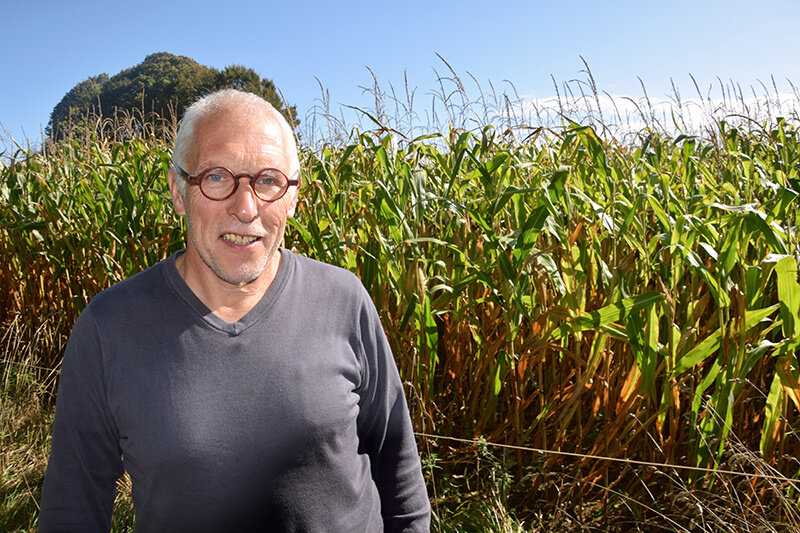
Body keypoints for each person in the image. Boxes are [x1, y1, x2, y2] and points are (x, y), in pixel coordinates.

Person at [38, 89, 431, 532]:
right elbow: (72, 509)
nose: (245, 209)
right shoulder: (109, 329)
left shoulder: (344, 299)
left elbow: (397, 466)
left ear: (293, 197)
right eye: (217, 177)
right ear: (178, 191)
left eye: (268, 180)